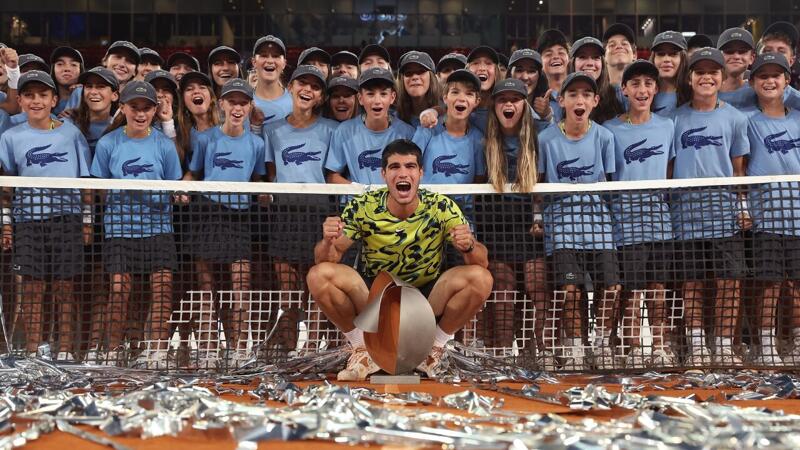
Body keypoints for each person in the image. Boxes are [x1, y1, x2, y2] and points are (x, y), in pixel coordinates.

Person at [306, 139, 493, 380]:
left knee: (480, 278)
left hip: (424, 304)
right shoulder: (363, 207)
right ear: (383, 174)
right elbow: (327, 258)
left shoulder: (441, 207)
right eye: (394, 167)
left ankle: (432, 349)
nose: (402, 173)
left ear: (421, 173)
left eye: (410, 166)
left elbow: (481, 263)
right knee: (319, 275)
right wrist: (328, 240)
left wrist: (468, 246)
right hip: (375, 303)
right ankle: (363, 349)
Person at [90, 81, 183, 368]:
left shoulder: (164, 145)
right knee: (119, 290)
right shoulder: (108, 144)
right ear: (123, 108)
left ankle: (157, 351)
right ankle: (114, 350)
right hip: (119, 230)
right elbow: (99, 188)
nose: (140, 114)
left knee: (163, 289)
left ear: (155, 110)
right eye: (134, 108)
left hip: (158, 229)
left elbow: (174, 185)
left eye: (146, 108)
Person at [0, 71, 91, 361]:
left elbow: (85, 183)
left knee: (65, 287)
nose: (36, 101)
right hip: (28, 221)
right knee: (33, 288)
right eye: (29, 95)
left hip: (67, 219)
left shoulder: (72, 133)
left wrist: (87, 221)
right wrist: (6, 225)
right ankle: (33, 350)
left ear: (54, 99)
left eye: (42, 95)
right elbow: (5, 188)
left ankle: (64, 349)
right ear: (21, 100)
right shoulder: (10, 137)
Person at [670, 48, 750, 368]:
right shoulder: (673, 119)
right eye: (699, 71)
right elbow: (669, 169)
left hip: (724, 214)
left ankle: (724, 346)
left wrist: (742, 207)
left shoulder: (736, 118)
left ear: (720, 76)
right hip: (686, 214)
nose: (706, 77)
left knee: (729, 281)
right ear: (689, 78)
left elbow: (739, 169)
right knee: (692, 283)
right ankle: (698, 346)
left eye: (712, 71)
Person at [537, 71, 620, 370]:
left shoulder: (605, 137)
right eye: (573, 94)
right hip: (562, 231)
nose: (579, 99)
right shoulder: (545, 139)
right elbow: (538, 185)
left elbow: (610, 185)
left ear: (596, 101)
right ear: (561, 101)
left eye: (586, 94)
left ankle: (601, 346)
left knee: (610, 289)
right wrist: (538, 217)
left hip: (600, 229)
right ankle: (574, 349)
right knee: (570, 290)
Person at [187, 78, 266, 367]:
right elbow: (193, 174)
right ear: (221, 104)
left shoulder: (257, 143)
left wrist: (265, 194)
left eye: (243, 102)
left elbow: (258, 180)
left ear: (249, 107)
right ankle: (208, 349)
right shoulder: (205, 139)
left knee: (240, 285)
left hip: (240, 215)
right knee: (206, 287)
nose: (237, 107)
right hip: (207, 212)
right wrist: (180, 188)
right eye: (232, 101)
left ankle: (240, 348)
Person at [604, 60, 677, 368]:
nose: (642, 90)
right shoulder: (609, 130)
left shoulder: (667, 125)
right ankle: (634, 348)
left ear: (656, 90)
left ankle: (660, 346)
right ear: (624, 90)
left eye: (648, 84)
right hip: (626, 224)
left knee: (658, 289)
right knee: (632, 292)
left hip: (660, 222)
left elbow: (670, 172)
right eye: (635, 84)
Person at [264, 65, 339, 355]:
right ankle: (287, 349)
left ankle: (312, 351)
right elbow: (271, 175)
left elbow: (332, 172)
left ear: (320, 97)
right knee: (288, 291)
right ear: (291, 87)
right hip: (284, 215)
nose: (307, 90)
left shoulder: (332, 130)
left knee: (316, 288)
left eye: (315, 87)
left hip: (318, 215)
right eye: (302, 84)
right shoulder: (272, 130)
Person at [480, 78, 548, 364]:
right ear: (494, 106)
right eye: (502, 100)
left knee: (537, 287)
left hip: (530, 228)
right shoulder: (482, 137)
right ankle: (503, 354)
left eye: (515, 100)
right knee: (503, 290)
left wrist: (538, 217)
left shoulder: (540, 136)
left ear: (525, 105)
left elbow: (544, 184)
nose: (509, 105)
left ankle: (542, 352)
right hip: (495, 225)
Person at [743, 53, 800, 366]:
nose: (769, 81)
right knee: (769, 284)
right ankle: (766, 347)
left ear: (787, 81)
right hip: (765, 217)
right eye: (762, 76)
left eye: (776, 75)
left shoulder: (799, 118)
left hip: (798, 217)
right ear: (752, 83)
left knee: (796, 284)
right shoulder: (746, 122)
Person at [324, 67, 414, 185]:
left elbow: (415, 174)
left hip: (394, 202)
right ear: (360, 98)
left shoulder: (407, 133)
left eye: (383, 94)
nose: (377, 101)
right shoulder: (344, 131)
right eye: (370, 94)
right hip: (356, 201)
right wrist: (361, 192)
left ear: (392, 97)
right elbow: (332, 176)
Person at [569, 37, 624, 124]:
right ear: (573, 63)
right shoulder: (562, 98)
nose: (590, 63)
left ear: (602, 63)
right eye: (582, 57)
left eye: (595, 57)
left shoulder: (616, 95)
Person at [251, 35, 293, 127]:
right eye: (264, 55)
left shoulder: (296, 103)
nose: (270, 60)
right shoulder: (243, 103)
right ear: (254, 62)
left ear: (284, 64)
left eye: (276, 56)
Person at [649, 31, 691, 116]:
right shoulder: (644, 94)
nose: (666, 59)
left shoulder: (694, 94)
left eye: (673, 54)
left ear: (683, 59)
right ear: (653, 59)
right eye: (660, 54)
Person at [396, 51, 441, 127]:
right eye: (408, 73)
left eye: (421, 71)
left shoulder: (446, 117)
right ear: (402, 81)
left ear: (432, 78)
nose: (415, 77)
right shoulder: (393, 119)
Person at [717, 28, 757, 109]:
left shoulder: (759, 91)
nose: (736, 56)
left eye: (742, 51)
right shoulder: (706, 91)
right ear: (718, 57)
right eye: (729, 51)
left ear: (751, 58)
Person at [537, 29, 570, 122]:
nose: (556, 57)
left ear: (569, 58)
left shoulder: (581, 92)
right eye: (548, 54)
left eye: (561, 52)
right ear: (540, 62)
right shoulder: (537, 100)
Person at [49, 46, 84, 115]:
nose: (67, 69)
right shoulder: (44, 98)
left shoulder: (88, 97)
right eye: (60, 64)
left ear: (81, 70)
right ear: (53, 70)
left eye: (73, 65)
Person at [602, 23, 637, 87]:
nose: (619, 46)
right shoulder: (594, 92)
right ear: (604, 56)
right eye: (612, 45)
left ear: (634, 54)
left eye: (624, 43)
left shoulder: (646, 93)